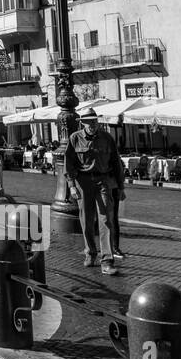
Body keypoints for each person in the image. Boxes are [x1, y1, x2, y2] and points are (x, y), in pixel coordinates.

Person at [64, 107, 124, 275]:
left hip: (103, 181)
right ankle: (90, 252)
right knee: (87, 220)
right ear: (82, 123)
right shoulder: (75, 138)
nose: (93, 125)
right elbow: (69, 163)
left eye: (95, 121)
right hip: (83, 182)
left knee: (106, 219)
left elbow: (116, 163)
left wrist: (120, 186)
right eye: (89, 122)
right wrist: (72, 186)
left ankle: (107, 260)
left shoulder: (107, 138)